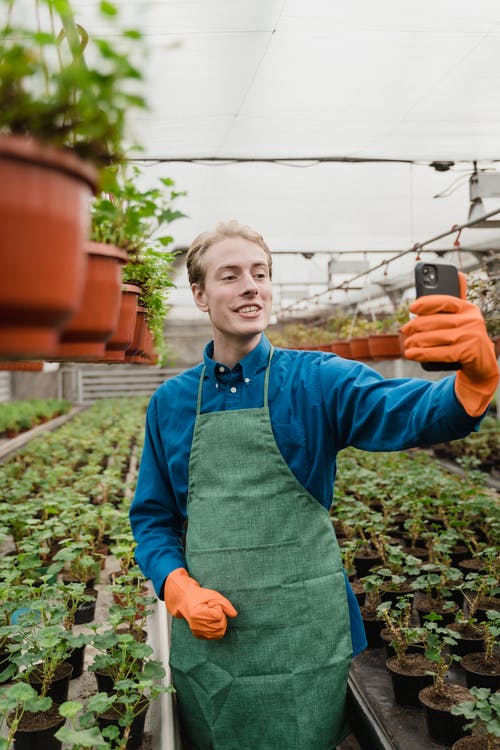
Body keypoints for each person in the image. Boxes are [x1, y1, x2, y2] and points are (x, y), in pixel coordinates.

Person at [129, 220, 498, 750]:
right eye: (230, 276)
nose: (251, 285)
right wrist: (175, 585)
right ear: (200, 295)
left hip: (301, 639)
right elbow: (153, 517)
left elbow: (407, 411)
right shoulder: (171, 403)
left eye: (260, 273)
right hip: (211, 643)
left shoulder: (316, 380)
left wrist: (474, 384)